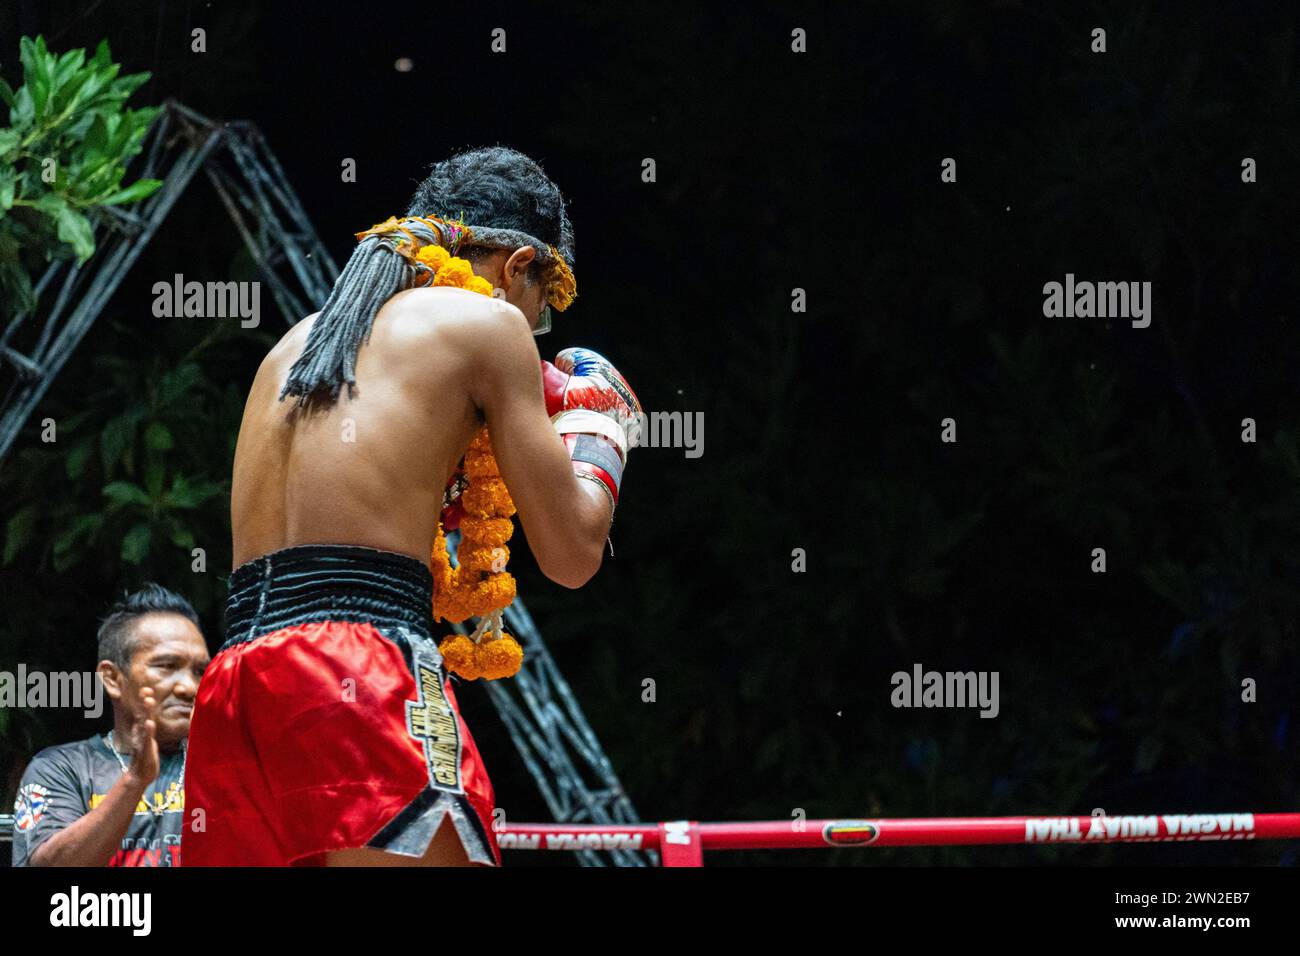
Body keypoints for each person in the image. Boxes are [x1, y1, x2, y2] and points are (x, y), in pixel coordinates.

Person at [183, 145, 641, 867]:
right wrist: (602, 429)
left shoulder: (295, 344)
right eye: (542, 314)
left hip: (238, 678)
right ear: (519, 268)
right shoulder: (486, 327)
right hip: (353, 667)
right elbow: (573, 553)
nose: (534, 333)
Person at [11, 583, 209, 867]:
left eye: (200, 671)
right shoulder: (61, 768)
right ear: (113, 679)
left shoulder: (220, 764)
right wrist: (135, 781)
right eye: (166, 666)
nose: (190, 687)